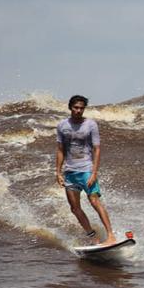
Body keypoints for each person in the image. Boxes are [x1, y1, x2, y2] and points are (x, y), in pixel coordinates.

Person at [56, 95, 117, 245]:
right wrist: (58, 172)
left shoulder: (90, 125)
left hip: (86, 170)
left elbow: (97, 149)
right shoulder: (62, 125)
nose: (78, 110)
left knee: (95, 201)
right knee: (75, 208)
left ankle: (110, 236)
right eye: (76, 107)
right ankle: (93, 237)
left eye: (81, 108)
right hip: (70, 172)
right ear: (70, 107)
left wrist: (94, 173)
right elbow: (60, 150)